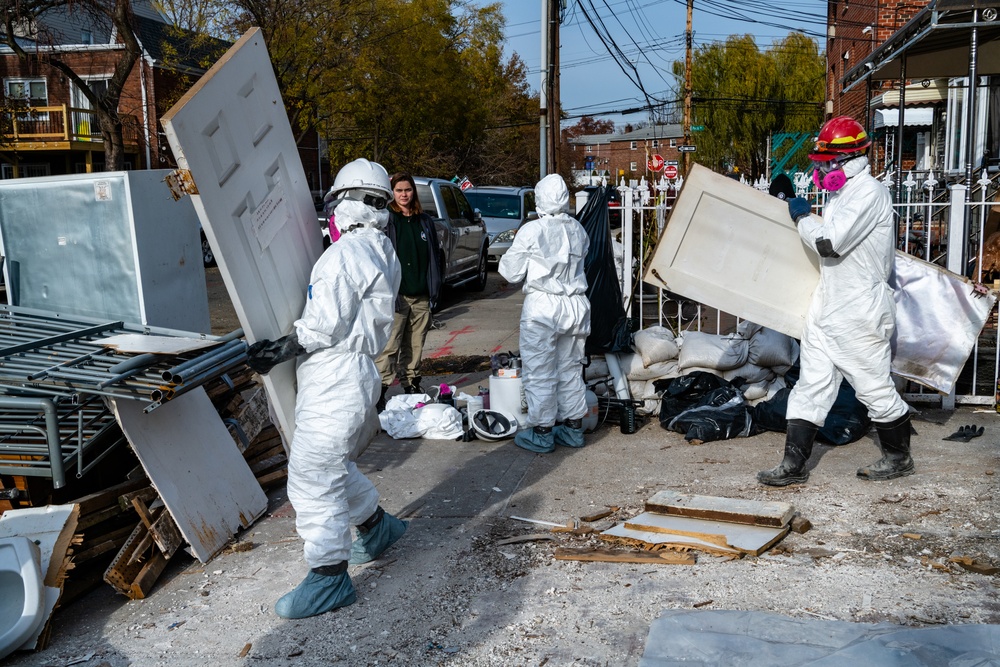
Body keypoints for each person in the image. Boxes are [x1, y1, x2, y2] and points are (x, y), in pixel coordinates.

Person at [246, 158, 408, 619]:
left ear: (345, 202)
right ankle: (378, 529)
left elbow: (322, 326)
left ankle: (329, 577)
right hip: (356, 374)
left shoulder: (344, 254)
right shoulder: (381, 250)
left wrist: (278, 349)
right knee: (332, 465)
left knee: (313, 476)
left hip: (335, 375)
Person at [758, 116, 913, 487]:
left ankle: (898, 457)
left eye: (828, 161)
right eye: (820, 161)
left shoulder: (869, 193)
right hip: (828, 308)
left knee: (873, 387)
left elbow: (830, 243)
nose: (822, 168)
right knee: (810, 386)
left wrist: (802, 218)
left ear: (850, 159)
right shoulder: (842, 195)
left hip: (859, 310)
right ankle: (792, 465)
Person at [498, 173, 591, 453]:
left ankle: (542, 432)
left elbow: (510, 272)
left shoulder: (532, 230)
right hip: (575, 303)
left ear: (539, 199)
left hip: (543, 306)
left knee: (539, 370)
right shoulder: (578, 229)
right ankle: (573, 428)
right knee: (571, 368)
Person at [375, 172, 444, 409]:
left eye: (408, 190)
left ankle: (411, 384)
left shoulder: (424, 221)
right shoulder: (388, 221)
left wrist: (435, 288)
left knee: (415, 345)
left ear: (414, 192)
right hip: (396, 297)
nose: (404, 195)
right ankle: (380, 390)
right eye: (399, 190)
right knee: (390, 345)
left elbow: (435, 256)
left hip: (421, 296)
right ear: (392, 193)